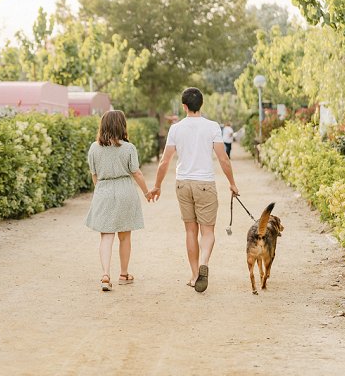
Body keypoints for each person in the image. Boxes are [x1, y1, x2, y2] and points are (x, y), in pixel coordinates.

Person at [148, 88, 239, 293]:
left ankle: (194, 274)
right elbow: (223, 158)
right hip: (205, 183)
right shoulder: (212, 127)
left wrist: (157, 186)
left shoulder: (176, 129)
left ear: (184, 106)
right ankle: (204, 262)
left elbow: (165, 161)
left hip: (183, 183)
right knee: (207, 232)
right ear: (201, 105)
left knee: (190, 230)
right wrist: (232, 183)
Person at [85, 110, 153, 291]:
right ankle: (124, 274)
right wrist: (147, 193)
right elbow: (136, 173)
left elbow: (94, 176)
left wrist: (101, 190)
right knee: (124, 236)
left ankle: (105, 275)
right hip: (125, 191)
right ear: (122, 125)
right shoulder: (129, 148)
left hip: (104, 190)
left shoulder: (94, 148)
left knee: (106, 236)